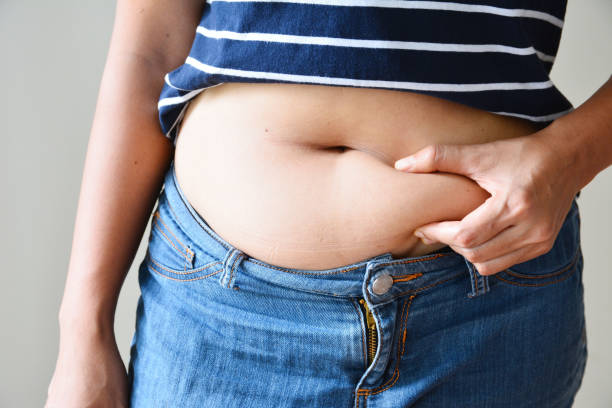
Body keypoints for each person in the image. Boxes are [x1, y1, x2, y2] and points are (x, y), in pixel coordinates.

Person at [46, 0, 611, 407]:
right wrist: (82, 331)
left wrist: (568, 157)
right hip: (225, 321)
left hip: (486, 315)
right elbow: (150, 49)